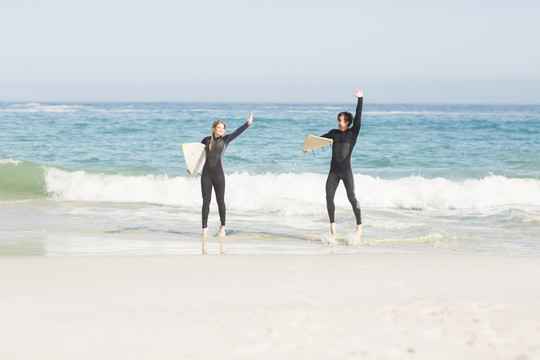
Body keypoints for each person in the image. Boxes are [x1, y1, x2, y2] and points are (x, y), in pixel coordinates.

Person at [197, 112, 253, 253]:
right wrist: (191, 168)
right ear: (213, 128)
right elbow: (196, 155)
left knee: (221, 201)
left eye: (223, 128)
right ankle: (204, 229)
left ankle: (223, 227)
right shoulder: (205, 140)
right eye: (219, 127)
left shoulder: (226, 140)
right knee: (206, 202)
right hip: (206, 176)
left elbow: (237, 132)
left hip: (219, 175)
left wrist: (247, 124)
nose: (221, 130)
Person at [316, 89, 364, 239]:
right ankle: (332, 224)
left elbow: (358, 118)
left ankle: (359, 225)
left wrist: (360, 99)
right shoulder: (333, 133)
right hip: (334, 172)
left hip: (346, 172)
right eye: (338, 120)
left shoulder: (353, 133)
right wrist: (308, 147)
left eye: (340, 120)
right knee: (328, 197)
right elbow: (319, 140)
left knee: (352, 198)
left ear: (347, 122)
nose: (338, 122)